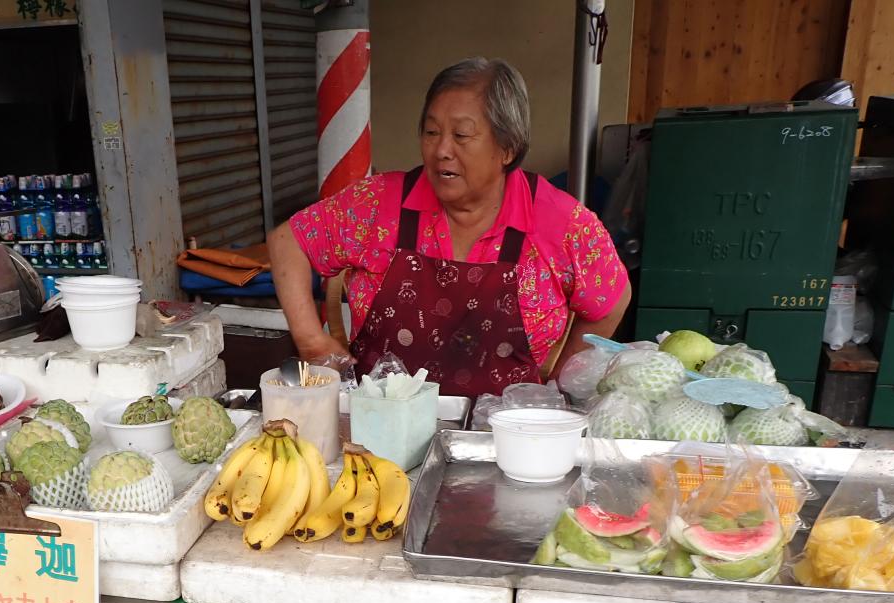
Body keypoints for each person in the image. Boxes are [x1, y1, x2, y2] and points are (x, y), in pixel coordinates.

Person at [267, 57, 630, 396]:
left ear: (507, 148)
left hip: (503, 428)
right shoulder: (377, 203)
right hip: (381, 422)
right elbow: (288, 240)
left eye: (461, 135)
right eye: (431, 132)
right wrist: (311, 341)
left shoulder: (560, 221)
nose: (441, 150)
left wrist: (559, 385)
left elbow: (612, 300)